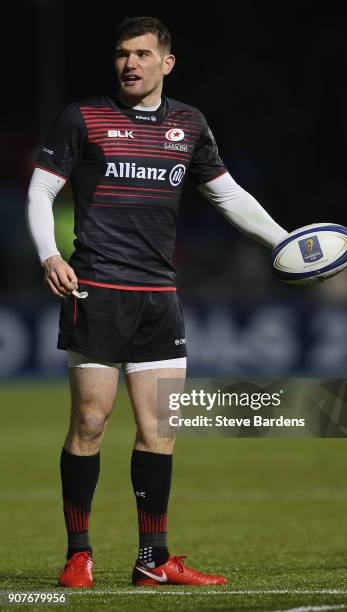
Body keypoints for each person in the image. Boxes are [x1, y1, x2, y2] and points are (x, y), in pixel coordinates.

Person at [26, 16, 288, 588]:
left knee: (159, 429)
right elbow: (42, 188)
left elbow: (226, 194)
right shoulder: (84, 117)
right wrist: (49, 253)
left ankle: (154, 559)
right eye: (123, 54)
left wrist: (283, 242)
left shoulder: (189, 124)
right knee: (90, 423)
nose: (131, 64)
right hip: (95, 290)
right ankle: (79, 554)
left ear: (166, 62)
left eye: (143, 54)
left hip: (158, 296)